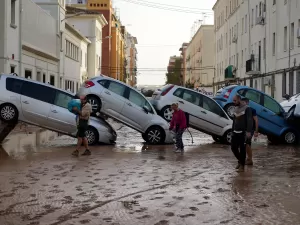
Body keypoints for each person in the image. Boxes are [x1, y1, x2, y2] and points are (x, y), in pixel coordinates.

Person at [231, 95, 253, 172]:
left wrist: (248, 132)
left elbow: (250, 120)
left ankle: (242, 166)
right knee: (233, 148)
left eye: (235, 101)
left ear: (239, 100)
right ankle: (240, 161)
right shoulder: (235, 108)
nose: (233, 102)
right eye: (233, 100)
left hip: (243, 132)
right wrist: (232, 130)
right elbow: (234, 121)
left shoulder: (247, 108)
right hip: (235, 132)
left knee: (243, 149)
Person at [242, 98, 259, 166]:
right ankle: (248, 159)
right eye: (242, 102)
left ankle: (250, 160)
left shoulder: (252, 110)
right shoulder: (242, 110)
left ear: (247, 103)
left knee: (247, 144)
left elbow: (256, 120)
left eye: (244, 102)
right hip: (244, 129)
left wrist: (256, 131)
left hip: (250, 130)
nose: (243, 104)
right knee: (245, 144)